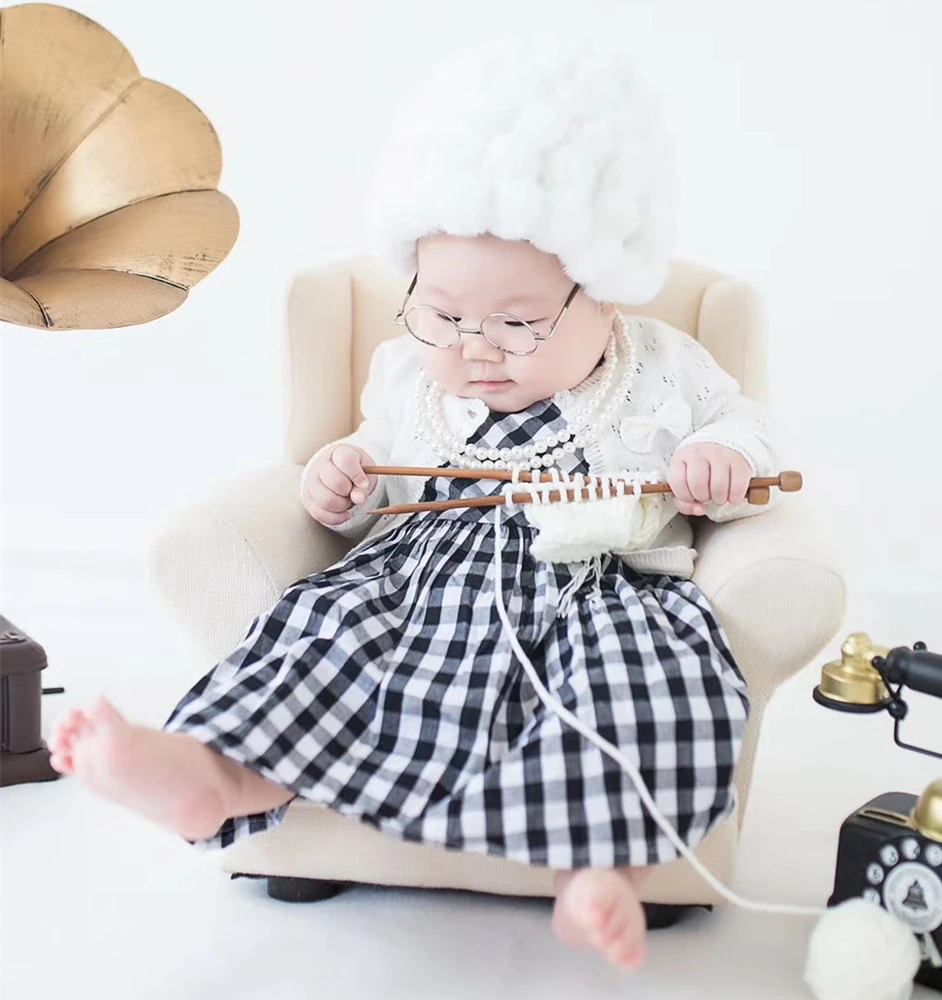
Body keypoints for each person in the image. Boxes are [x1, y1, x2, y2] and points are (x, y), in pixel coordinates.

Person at [48, 41, 778, 972]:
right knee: (317, 643)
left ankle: (601, 868)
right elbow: (378, 476)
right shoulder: (407, 377)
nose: (476, 347)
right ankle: (212, 776)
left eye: (518, 323)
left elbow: (750, 430)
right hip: (415, 581)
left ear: (606, 299)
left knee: (637, 689)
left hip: (596, 588)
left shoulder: (663, 365)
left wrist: (725, 457)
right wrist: (345, 475)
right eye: (443, 315)